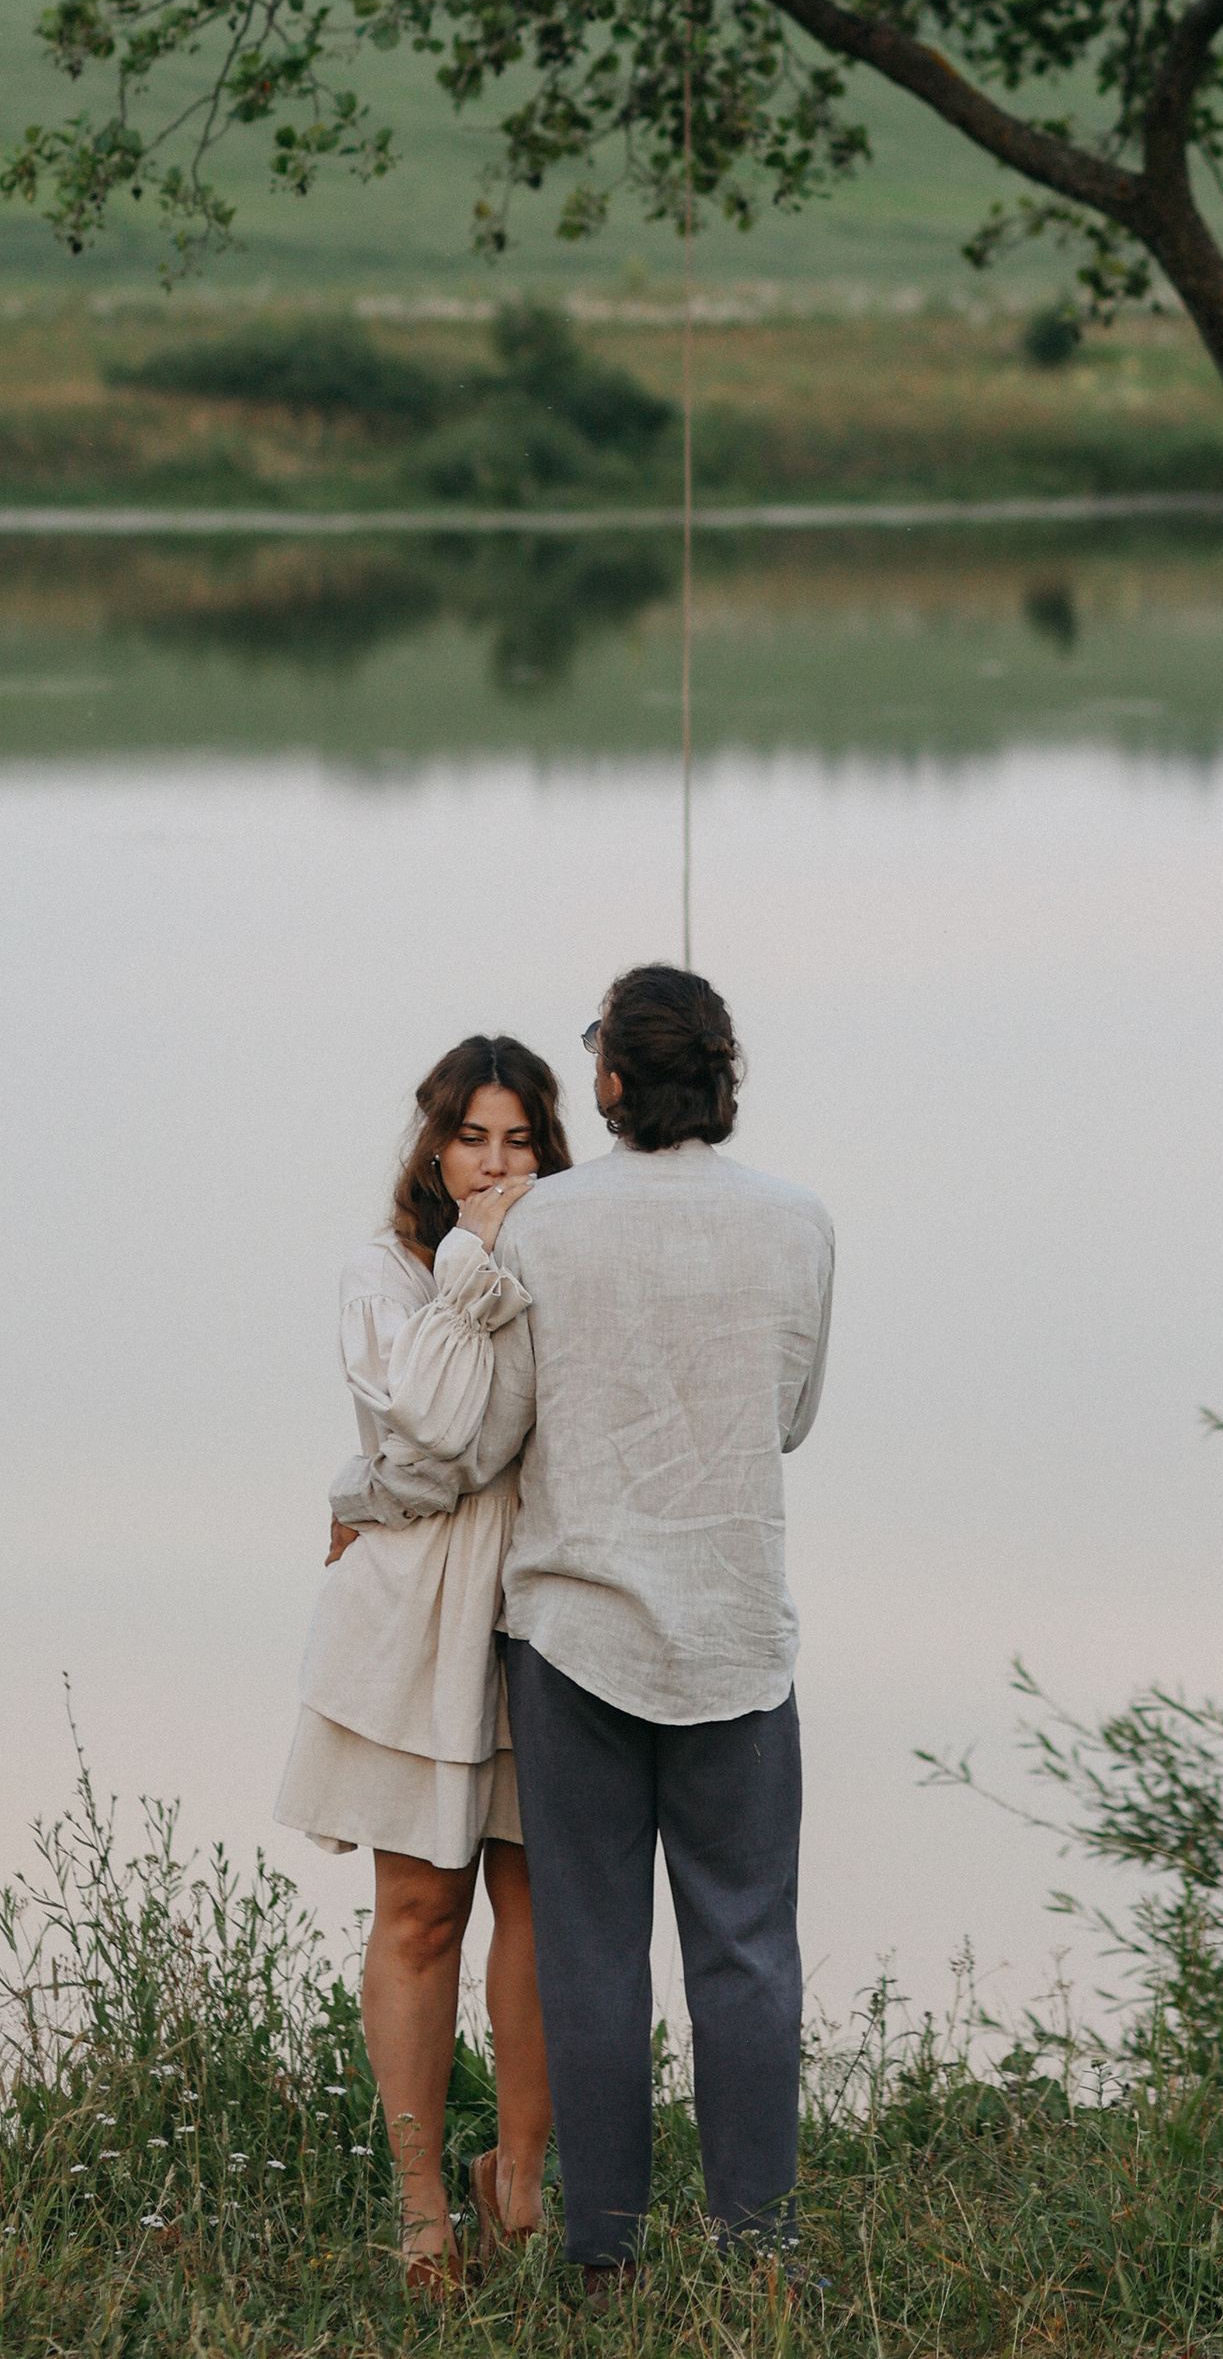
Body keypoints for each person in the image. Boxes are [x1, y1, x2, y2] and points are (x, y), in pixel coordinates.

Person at [469, 963, 834, 2296]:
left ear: (610, 1083)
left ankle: (603, 2259)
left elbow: (498, 1424)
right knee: (746, 1952)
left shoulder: (540, 1228)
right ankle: (758, 2251)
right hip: (739, 1635)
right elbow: (789, 1417)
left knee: (590, 1954)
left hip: (572, 1637)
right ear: (721, 1077)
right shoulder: (800, 1223)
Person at [274, 1034, 568, 2292]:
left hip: (544, 1605)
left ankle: (520, 2181)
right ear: (433, 1144)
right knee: (418, 1909)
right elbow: (448, 1432)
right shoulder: (383, 1272)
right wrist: (472, 1264)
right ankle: (420, 2215)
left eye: (519, 1140)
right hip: (412, 1619)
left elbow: (517, 1441)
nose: (495, 1166)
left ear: (550, 1148)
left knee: (542, 1908)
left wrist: (366, 1480)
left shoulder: (575, 1263)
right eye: (471, 1138)